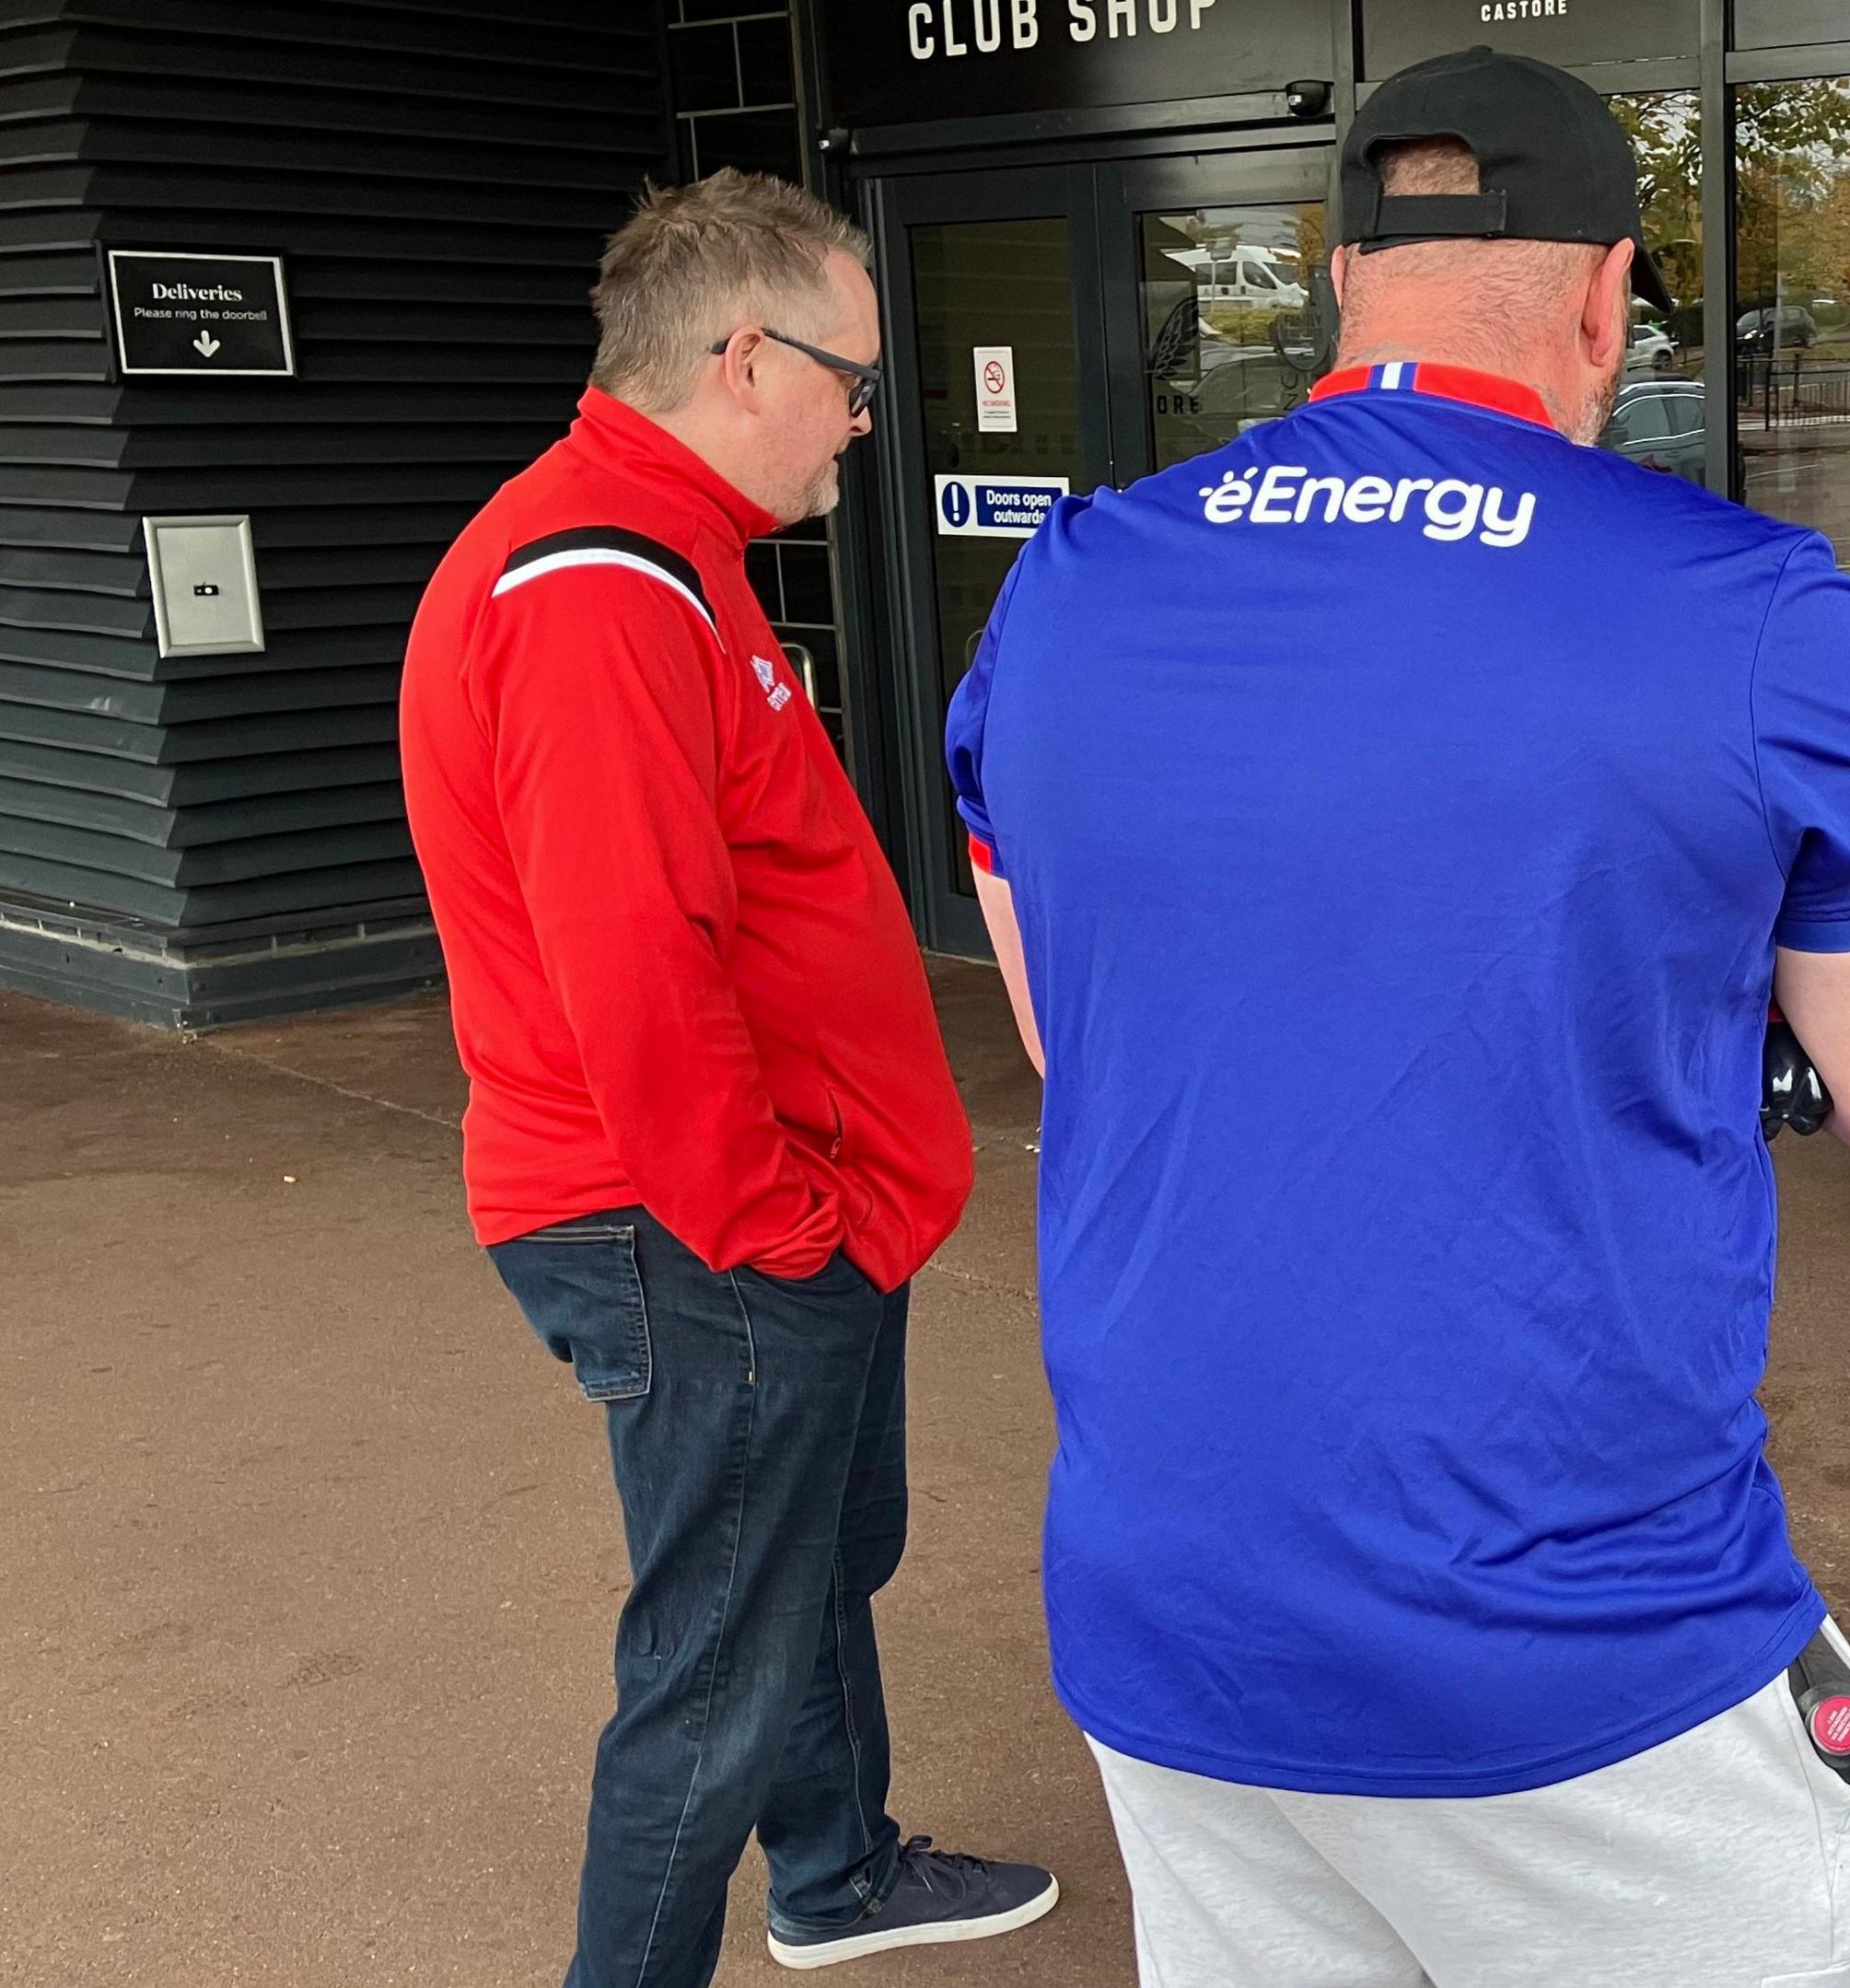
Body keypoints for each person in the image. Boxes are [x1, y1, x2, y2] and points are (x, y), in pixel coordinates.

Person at [946, 47, 1850, 1988]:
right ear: (1606, 297)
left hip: (1173, 1605)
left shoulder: (1070, 583)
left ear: (1337, 278)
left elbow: (1056, 1026)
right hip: (1578, 1640)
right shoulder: (1747, 604)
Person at [399, 170, 1058, 1985]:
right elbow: (635, 969)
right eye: (850, 375)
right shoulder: (598, 584)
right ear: (745, 356)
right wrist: (776, 1228)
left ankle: (834, 1872)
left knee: (801, 1575)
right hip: (698, 1216)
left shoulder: (650, 550)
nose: (865, 414)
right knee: (716, 1659)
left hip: (747, 1205)